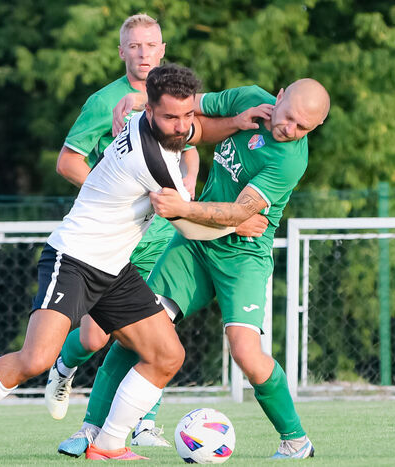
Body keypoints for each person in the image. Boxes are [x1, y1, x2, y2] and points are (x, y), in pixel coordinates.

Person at [0, 64, 273, 463]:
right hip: (73, 259)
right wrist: (238, 220)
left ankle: (108, 445)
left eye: (186, 116)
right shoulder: (154, 162)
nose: (181, 127)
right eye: (170, 118)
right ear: (150, 113)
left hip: (114, 269)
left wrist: (232, 121)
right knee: (35, 359)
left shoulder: (161, 127)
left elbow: (196, 129)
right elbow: (192, 226)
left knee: (166, 356)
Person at [59, 78, 331, 459]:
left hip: (244, 256)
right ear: (280, 95)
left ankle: (296, 441)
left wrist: (183, 207)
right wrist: (139, 100)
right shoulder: (249, 97)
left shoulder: (290, 159)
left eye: (304, 128)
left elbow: (240, 212)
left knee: (246, 354)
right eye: (289, 118)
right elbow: (191, 109)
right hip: (195, 246)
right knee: (137, 330)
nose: (291, 130)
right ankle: (91, 432)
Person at [47, 13, 268, 451]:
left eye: (151, 45)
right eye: (135, 46)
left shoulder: (174, 95)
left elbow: (188, 144)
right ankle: (63, 368)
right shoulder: (105, 101)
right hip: (114, 240)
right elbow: (68, 162)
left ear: (162, 49)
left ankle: (138, 424)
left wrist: (191, 176)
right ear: (122, 51)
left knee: (157, 329)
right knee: (94, 337)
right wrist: (117, 192)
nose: (144, 53)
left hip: (161, 236)